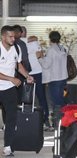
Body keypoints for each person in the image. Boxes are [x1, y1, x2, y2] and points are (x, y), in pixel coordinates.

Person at [0, 25, 34, 156]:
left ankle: (7, 146)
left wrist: (27, 76)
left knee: (11, 118)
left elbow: (18, 65)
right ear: (3, 36)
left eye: (14, 36)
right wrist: (11, 78)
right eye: (10, 36)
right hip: (5, 84)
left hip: (9, 89)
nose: (13, 38)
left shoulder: (16, 48)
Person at [38, 31, 68, 128]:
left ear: (50, 38)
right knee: (61, 100)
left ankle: (57, 124)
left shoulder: (51, 50)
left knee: (56, 102)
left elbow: (46, 65)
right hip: (63, 78)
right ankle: (63, 122)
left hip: (55, 80)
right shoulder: (63, 48)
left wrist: (40, 58)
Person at [27, 35, 52, 130]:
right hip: (36, 73)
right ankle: (45, 120)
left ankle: (31, 119)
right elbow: (41, 54)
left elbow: (40, 54)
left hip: (30, 74)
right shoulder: (34, 44)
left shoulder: (26, 44)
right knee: (41, 97)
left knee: (29, 98)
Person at [13, 24, 32, 104]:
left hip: (9, 75)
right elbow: (25, 59)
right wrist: (26, 72)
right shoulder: (21, 44)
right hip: (20, 74)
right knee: (20, 97)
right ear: (20, 33)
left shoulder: (8, 44)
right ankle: (19, 114)